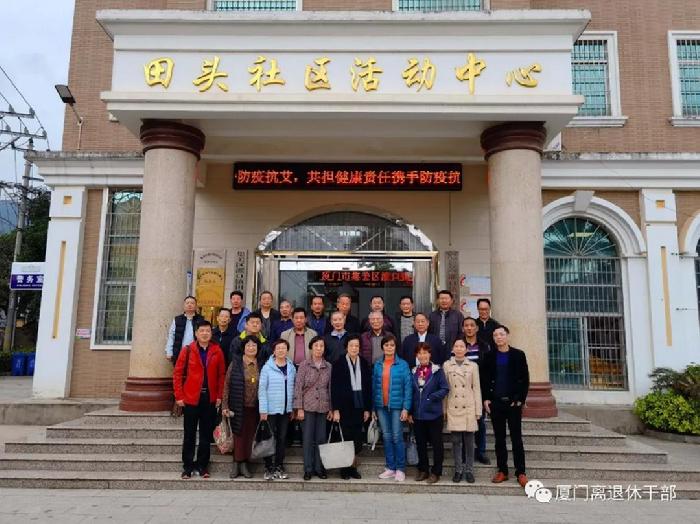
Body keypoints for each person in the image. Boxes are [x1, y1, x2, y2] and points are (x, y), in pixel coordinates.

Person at [172, 320, 225, 479]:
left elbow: (221, 375)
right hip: (191, 399)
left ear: (211, 333)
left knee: (205, 435)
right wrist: (179, 396)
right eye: (201, 331)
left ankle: (202, 465)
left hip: (209, 398)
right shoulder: (187, 350)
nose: (205, 333)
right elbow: (177, 374)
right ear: (196, 333)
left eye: (207, 331)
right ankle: (187, 466)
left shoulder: (217, 350)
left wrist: (219, 395)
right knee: (189, 434)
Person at [481, 325, 530, 488]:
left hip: (513, 403)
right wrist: (486, 399)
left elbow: (525, 378)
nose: (499, 337)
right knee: (499, 439)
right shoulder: (489, 356)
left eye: (501, 334)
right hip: (496, 403)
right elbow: (484, 379)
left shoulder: (518, 355)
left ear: (507, 336)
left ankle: (521, 472)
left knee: (516, 438)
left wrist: (520, 399)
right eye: (495, 335)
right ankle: (502, 470)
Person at [222, 336, 264, 479]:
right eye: (248, 346)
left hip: (255, 406)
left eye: (254, 346)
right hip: (237, 405)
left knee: (250, 435)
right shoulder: (236, 363)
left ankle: (245, 463)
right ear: (243, 348)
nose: (251, 348)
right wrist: (225, 405)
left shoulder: (261, 364)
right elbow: (227, 384)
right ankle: (236, 463)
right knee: (238, 434)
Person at [330, 334, 371, 480]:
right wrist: (335, 409)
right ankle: (344, 469)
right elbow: (334, 387)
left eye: (357, 346)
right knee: (345, 438)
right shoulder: (339, 363)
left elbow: (368, 386)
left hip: (359, 406)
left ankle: (353, 467)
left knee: (357, 438)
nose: (354, 348)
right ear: (346, 347)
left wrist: (367, 408)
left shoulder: (364, 363)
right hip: (344, 407)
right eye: (351, 345)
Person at [372, 335, 412, 482]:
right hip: (381, 406)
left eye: (392, 345)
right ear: (382, 347)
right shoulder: (378, 364)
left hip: (397, 406)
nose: (389, 347)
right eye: (386, 345)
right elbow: (373, 387)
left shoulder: (403, 364)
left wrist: (406, 408)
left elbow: (408, 387)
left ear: (396, 347)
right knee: (387, 437)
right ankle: (390, 467)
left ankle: (400, 469)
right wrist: (373, 408)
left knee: (397, 436)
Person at [408, 342, 449, 484]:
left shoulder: (437, 371)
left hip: (434, 414)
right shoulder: (413, 371)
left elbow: (445, 389)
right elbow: (411, 392)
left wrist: (431, 397)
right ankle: (423, 470)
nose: (422, 355)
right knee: (420, 444)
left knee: (437, 445)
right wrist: (410, 411)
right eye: (420, 353)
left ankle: (436, 472)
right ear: (416, 355)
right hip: (418, 415)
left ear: (430, 354)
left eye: (425, 352)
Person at [443, 338, 482, 484]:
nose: (459, 348)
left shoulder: (473, 366)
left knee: (469, 441)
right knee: (456, 441)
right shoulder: (447, 365)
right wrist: (444, 409)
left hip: (469, 406)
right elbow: (445, 389)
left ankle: (469, 470)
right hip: (453, 405)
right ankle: (458, 470)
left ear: (466, 349)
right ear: (453, 349)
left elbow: (476, 388)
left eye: (462, 346)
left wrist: (478, 410)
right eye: (456, 346)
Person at [293, 336, 333, 480]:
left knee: (321, 438)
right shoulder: (304, 365)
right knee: (308, 438)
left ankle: (319, 468)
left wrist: (331, 408)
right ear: (311, 348)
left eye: (321, 346)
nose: (318, 349)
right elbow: (298, 387)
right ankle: (308, 469)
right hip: (307, 406)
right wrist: (299, 408)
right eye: (316, 346)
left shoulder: (328, 366)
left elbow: (330, 388)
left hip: (323, 405)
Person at [258, 339, 297, 481]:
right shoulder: (267, 368)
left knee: (282, 438)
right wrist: (263, 410)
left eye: (284, 348)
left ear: (287, 350)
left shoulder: (291, 367)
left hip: (285, 410)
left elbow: (294, 389)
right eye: (278, 348)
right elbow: (262, 390)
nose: (281, 350)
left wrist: (292, 408)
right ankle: (268, 467)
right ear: (274, 351)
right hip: (270, 409)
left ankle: (279, 465)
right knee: (269, 438)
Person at [462, 316, 492, 465]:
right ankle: (465, 452)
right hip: (462, 389)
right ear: (463, 329)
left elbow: (488, 371)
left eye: (472, 325)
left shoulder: (484, 346)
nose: (469, 328)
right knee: (463, 422)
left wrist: (488, 394)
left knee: (480, 421)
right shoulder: (459, 345)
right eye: (466, 325)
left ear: (477, 328)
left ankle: (481, 451)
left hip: (479, 389)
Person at [165, 296, 204, 363]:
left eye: (192, 303)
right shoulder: (177, 319)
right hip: (179, 353)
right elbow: (171, 336)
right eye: (187, 303)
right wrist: (169, 352)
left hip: (196, 354)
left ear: (196, 306)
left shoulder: (201, 319)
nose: (189, 305)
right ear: (184, 306)